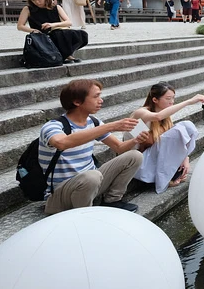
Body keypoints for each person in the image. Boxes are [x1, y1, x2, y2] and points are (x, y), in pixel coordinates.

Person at [39, 79, 145, 214]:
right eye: (96, 96)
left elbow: (119, 147)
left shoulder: (93, 122)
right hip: (61, 196)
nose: (101, 100)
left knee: (134, 156)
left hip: (91, 184)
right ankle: (86, 217)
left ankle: (112, 200)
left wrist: (136, 140)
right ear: (77, 102)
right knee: (91, 176)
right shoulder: (53, 126)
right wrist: (111, 126)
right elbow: (62, 143)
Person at [129, 83, 204, 192]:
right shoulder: (140, 113)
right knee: (179, 130)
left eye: (173, 98)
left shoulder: (165, 116)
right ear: (155, 100)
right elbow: (157, 118)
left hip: (155, 159)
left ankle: (173, 173)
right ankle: (166, 178)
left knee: (187, 126)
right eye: (168, 98)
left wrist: (185, 158)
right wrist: (189, 101)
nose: (172, 102)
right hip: (140, 163)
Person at [17, 0, 88, 64]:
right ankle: (66, 56)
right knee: (59, 35)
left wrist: (52, 25)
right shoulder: (27, 9)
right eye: (33, 0)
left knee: (82, 35)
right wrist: (33, 30)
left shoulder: (56, 7)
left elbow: (68, 22)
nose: (37, 2)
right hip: (41, 35)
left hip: (56, 31)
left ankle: (65, 54)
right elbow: (20, 26)